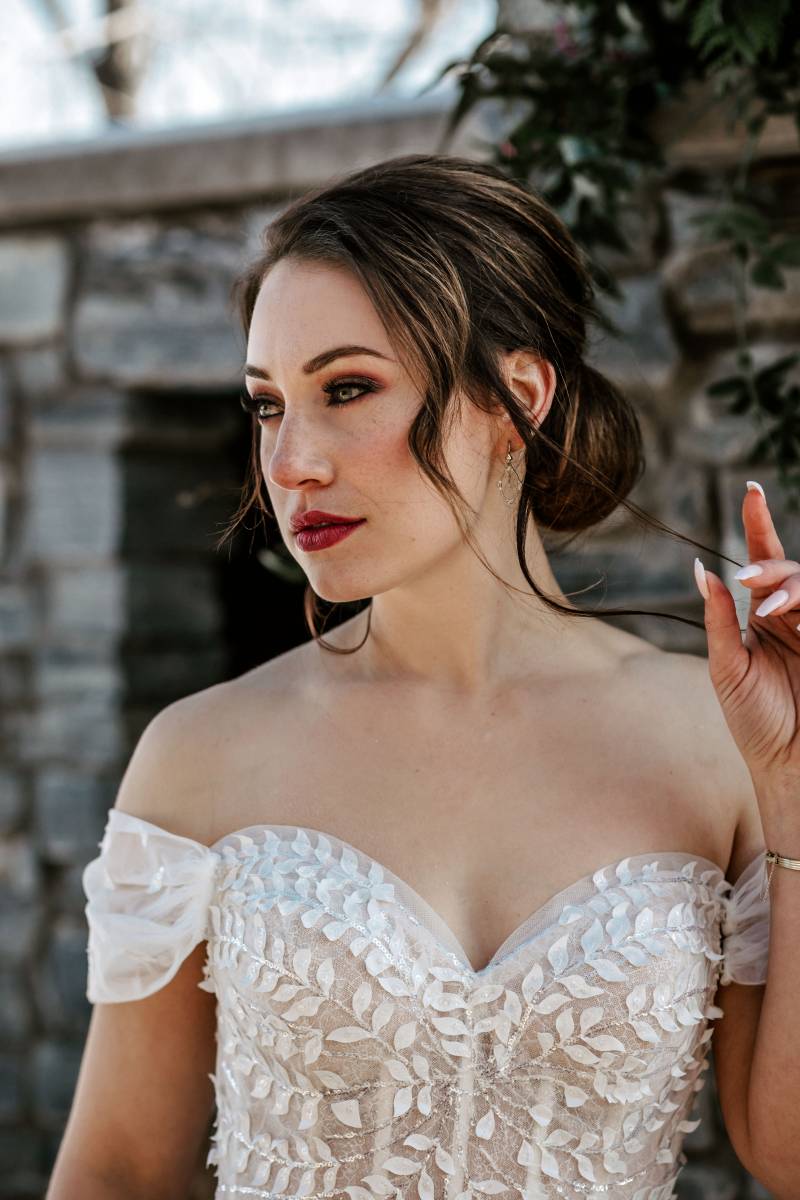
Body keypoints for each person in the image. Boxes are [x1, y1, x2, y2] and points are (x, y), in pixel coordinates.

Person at [49, 153, 794, 1199]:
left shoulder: (712, 737)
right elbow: (120, 1171)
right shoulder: (201, 752)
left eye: (346, 389)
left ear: (513, 399)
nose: (291, 461)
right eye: (267, 406)